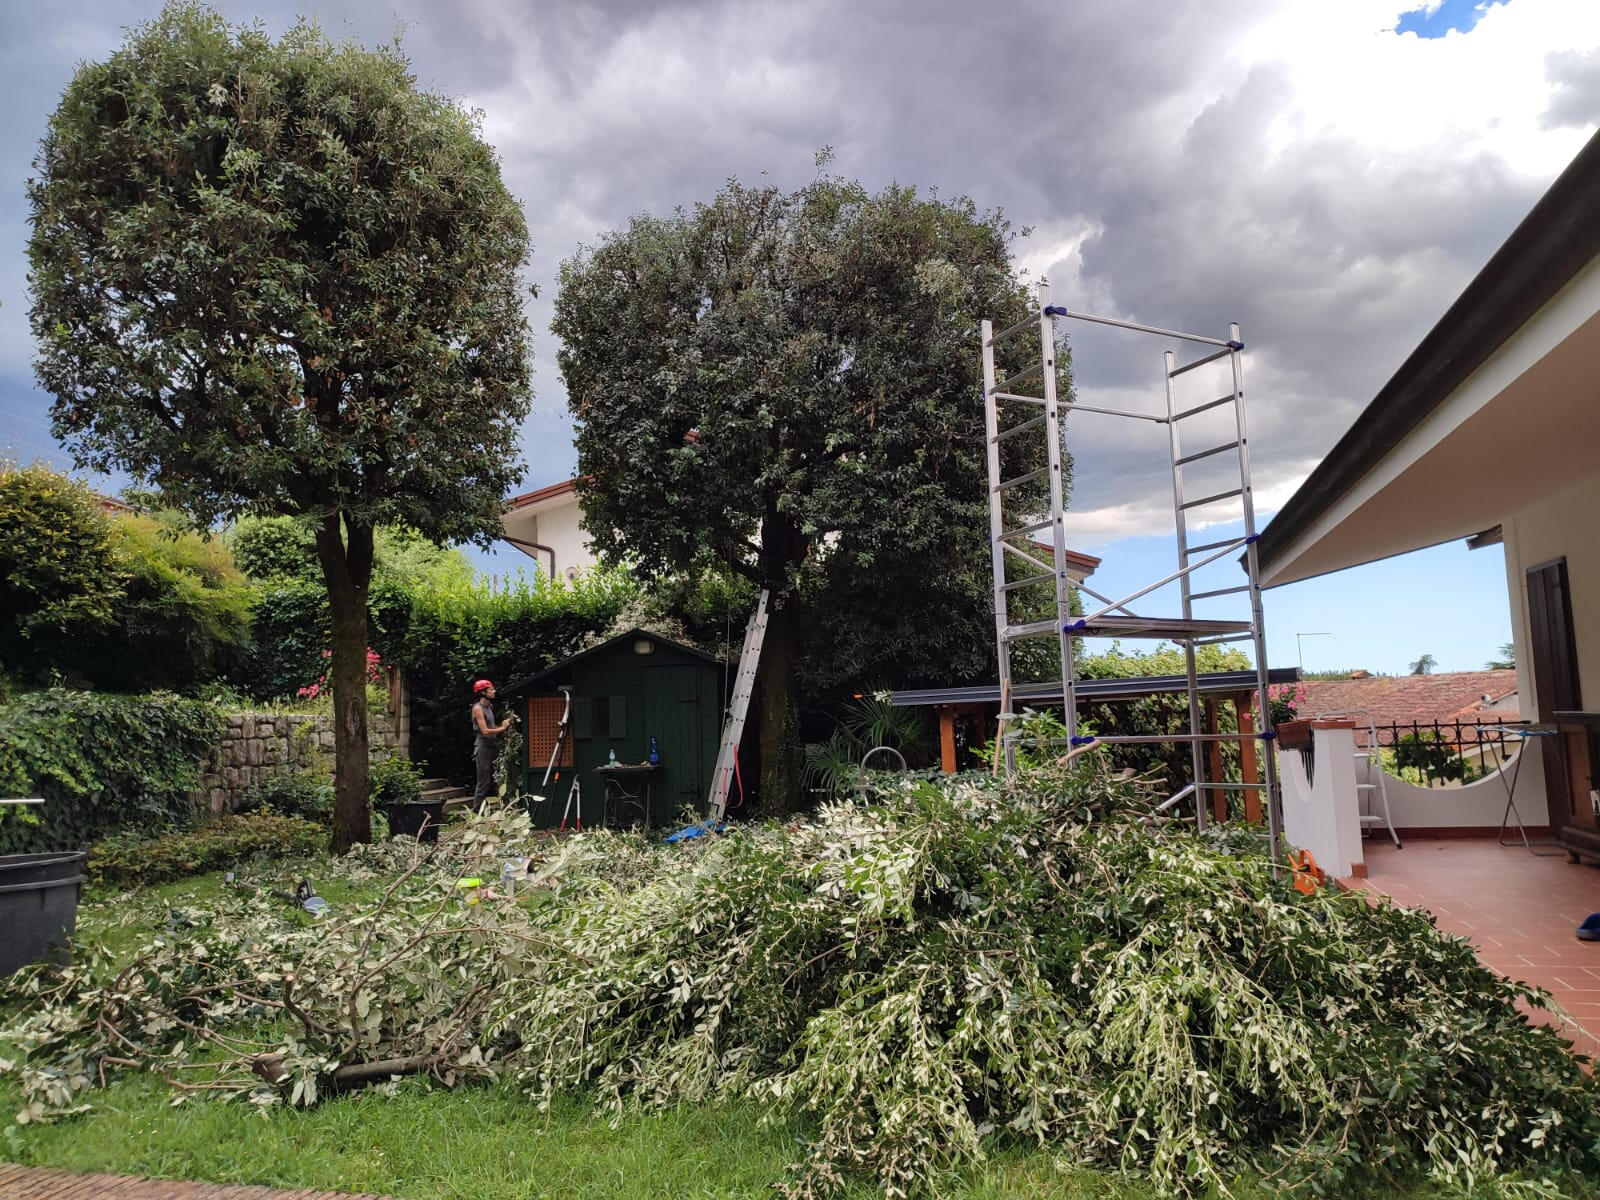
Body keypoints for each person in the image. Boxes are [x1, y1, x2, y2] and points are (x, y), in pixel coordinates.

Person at [470, 680, 515, 810]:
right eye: (491, 689)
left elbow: (492, 727)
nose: (494, 691)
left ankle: (493, 809)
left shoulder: (489, 706)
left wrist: (504, 724)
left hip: (492, 746)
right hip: (483, 747)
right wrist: (503, 728)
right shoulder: (478, 708)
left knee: (497, 779)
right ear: (483, 692)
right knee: (483, 782)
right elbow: (485, 731)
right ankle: (475, 812)